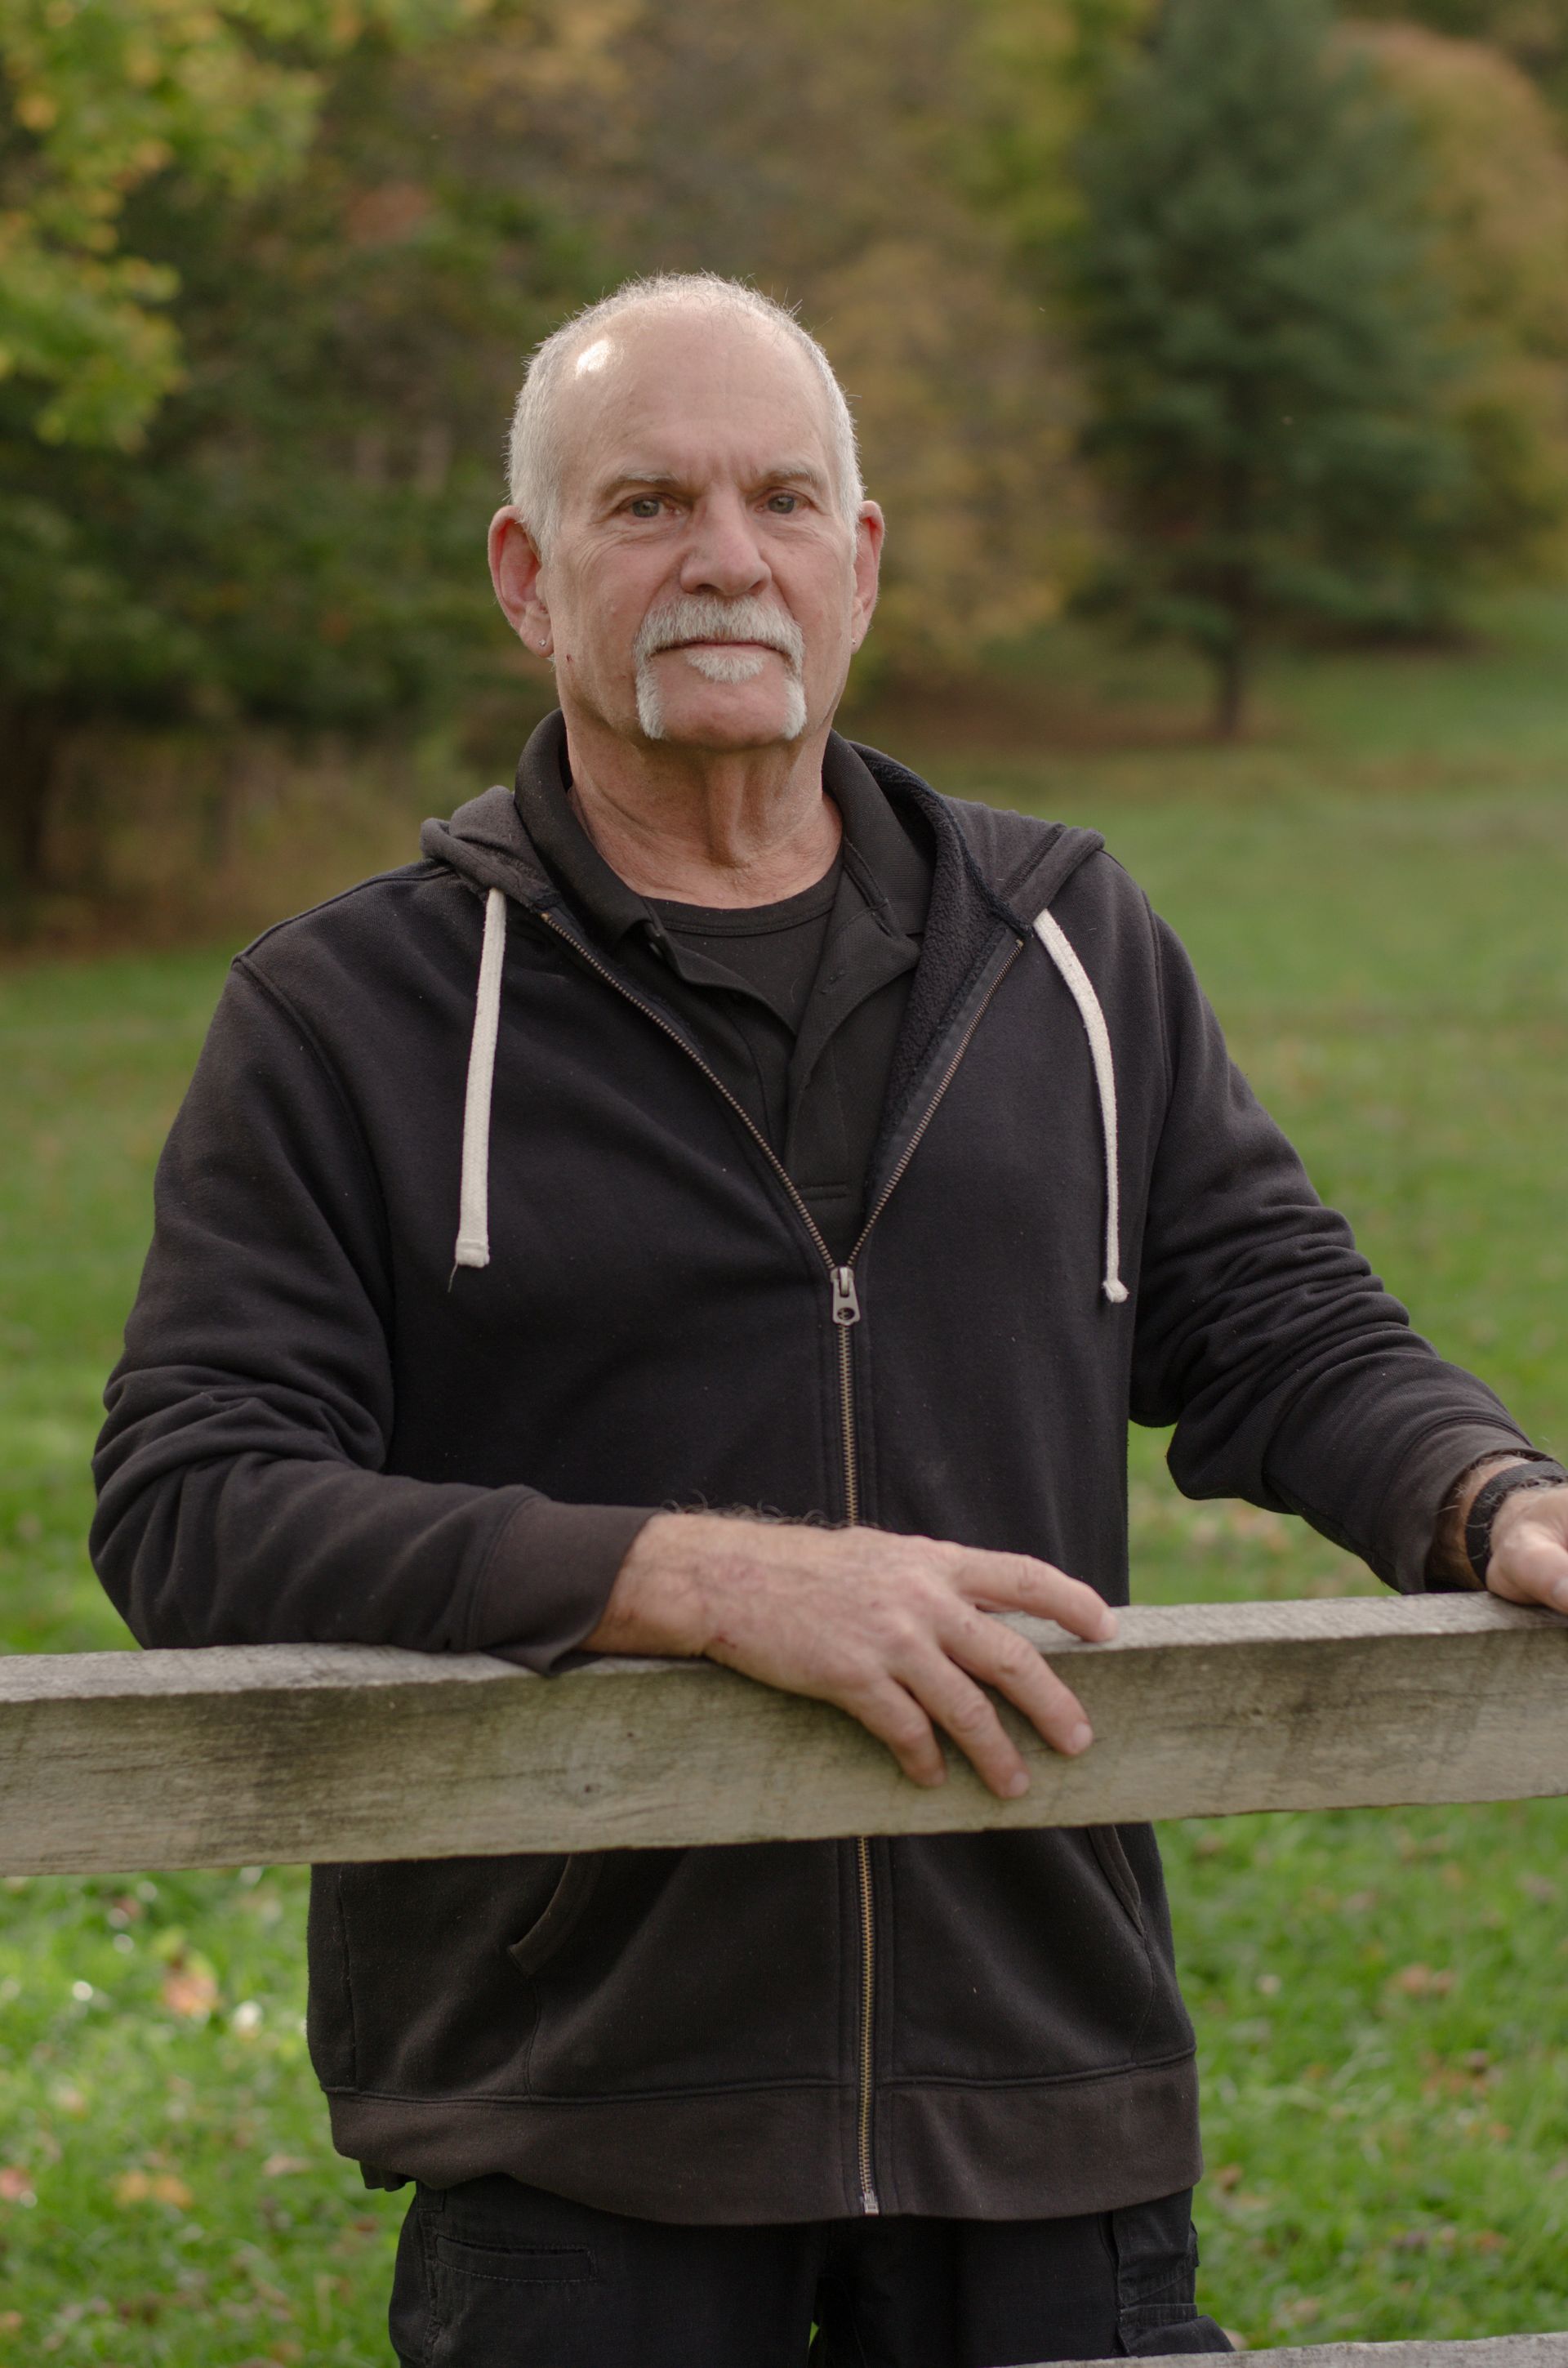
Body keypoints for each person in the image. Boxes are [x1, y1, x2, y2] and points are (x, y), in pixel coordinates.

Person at [91, 273, 1568, 2368]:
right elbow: (192, 1504)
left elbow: (1269, 1315)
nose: (726, 556)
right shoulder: (356, 1014)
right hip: (592, 2138)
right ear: (528, 575)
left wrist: (1483, 1488)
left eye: (784, 497)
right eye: (647, 505)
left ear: (859, 565)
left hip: (1046, 2092)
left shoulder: (1065, 938)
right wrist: (689, 1579)